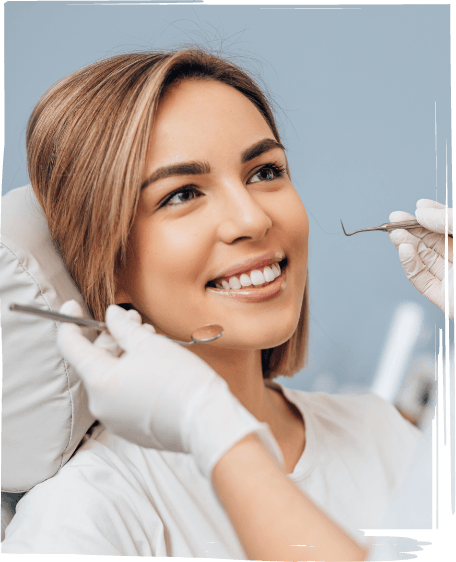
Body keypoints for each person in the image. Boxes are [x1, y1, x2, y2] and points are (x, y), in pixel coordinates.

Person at [2, 48, 452, 560]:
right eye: (182, 193)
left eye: (264, 172)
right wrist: (210, 424)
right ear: (109, 262)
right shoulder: (85, 519)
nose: (252, 219)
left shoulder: (380, 431)